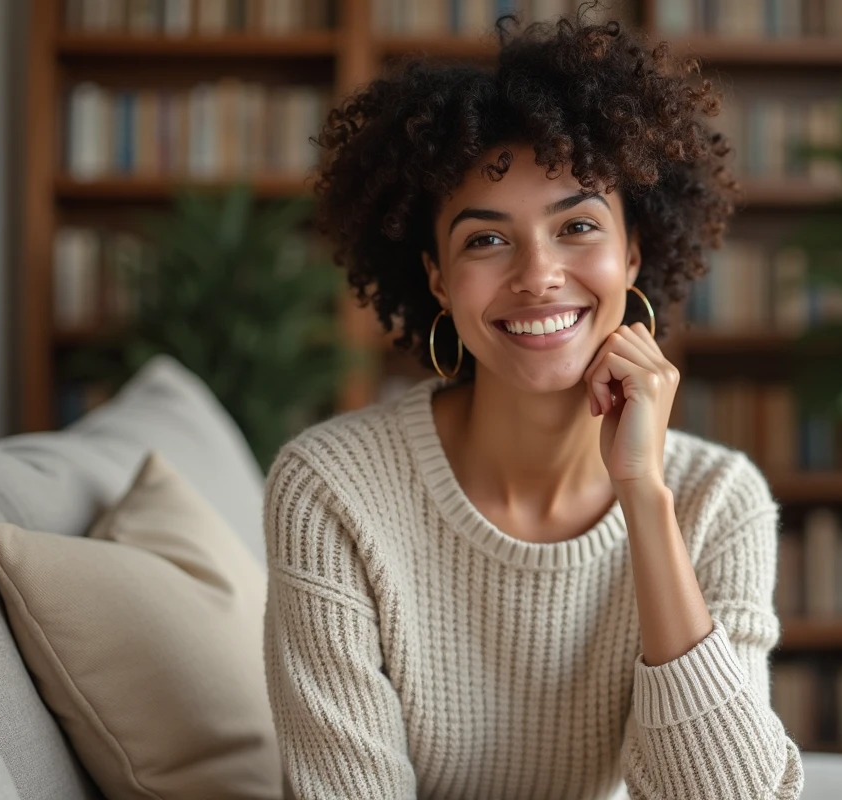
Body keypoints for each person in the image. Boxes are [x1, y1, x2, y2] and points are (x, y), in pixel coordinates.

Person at [262, 7, 804, 799]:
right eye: (486, 239)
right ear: (439, 279)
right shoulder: (332, 492)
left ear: (634, 253)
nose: (539, 274)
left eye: (578, 225)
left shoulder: (718, 501)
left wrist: (645, 501)